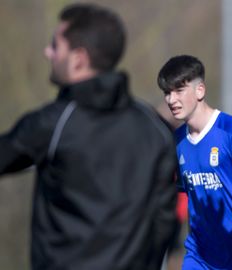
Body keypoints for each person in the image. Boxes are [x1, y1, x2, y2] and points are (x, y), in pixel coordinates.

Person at [0, 3, 178, 270]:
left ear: (79, 58)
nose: (47, 52)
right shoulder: (155, 128)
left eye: (55, 45)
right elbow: (165, 223)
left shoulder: (54, 123)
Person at [157, 55, 232, 270]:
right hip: (199, 256)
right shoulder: (178, 141)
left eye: (178, 91)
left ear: (200, 90)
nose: (171, 100)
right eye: (167, 92)